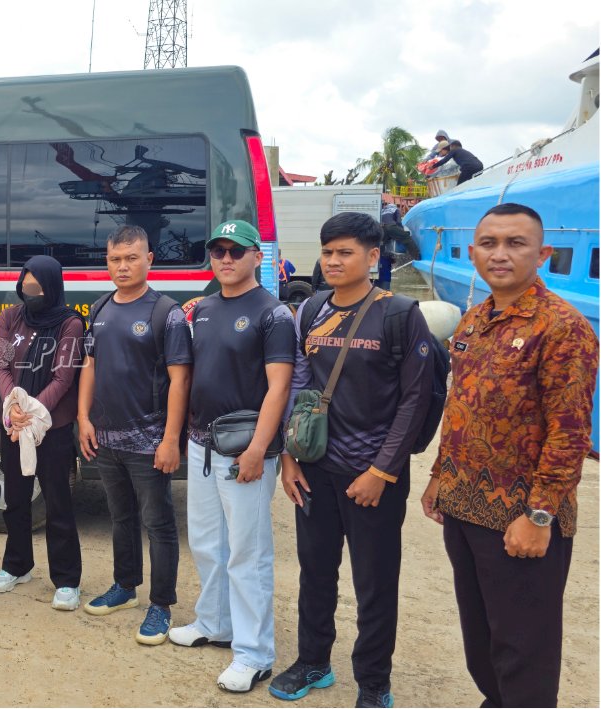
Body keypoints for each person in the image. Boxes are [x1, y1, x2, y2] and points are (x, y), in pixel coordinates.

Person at [421, 203, 598, 708]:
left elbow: (570, 433)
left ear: (542, 254)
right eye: (490, 243)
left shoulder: (562, 327)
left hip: (522, 518)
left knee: (525, 650)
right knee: (482, 642)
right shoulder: (476, 319)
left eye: (515, 243)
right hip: (464, 506)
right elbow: (461, 406)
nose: (501, 254)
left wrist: (538, 515)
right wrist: (439, 474)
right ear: (472, 252)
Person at [271, 211, 434, 708]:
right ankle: (313, 661)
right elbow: (299, 384)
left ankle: (373, 683)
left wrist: (382, 471)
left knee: (374, 584)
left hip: (373, 476)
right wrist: (289, 455)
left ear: (372, 256)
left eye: (345, 252)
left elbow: (416, 399)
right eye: (328, 252)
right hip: (315, 468)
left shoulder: (400, 314)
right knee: (315, 572)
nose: (334, 261)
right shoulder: (312, 310)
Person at [173, 220, 295, 692]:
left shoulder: (273, 314)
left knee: (248, 553)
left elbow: (279, 387)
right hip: (202, 444)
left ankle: (254, 653)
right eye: (218, 250)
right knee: (207, 543)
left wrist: (259, 449)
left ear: (256, 257)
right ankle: (215, 623)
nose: (226, 258)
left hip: (245, 448)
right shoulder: (201, 308)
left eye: (236, 250)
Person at [77, 224, 192, 645]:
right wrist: (83, 417)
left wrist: (170, 440)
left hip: (149, 441)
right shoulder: (101, 307)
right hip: (105, 438)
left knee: (158, 522)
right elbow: (89, 365)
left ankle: (160, 605)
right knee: (119, 517)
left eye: (131, 258)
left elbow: (180, 381)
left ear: (149, 260)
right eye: (114, 259)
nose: (122, 266)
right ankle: (124, 586)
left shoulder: (167, 313)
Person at [0, 255, 85, 610]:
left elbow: (63, 377)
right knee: (15, 499)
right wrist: (12, 409)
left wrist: (29, 413)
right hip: (12, 424)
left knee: (58, 503)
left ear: (53, 286)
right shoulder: (9, 317)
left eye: (39, 286)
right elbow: (0, 364)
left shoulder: (70, 324)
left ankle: (67, 580)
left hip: (51, 427)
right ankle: (17, 565)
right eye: (27, 285)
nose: (32, 292)